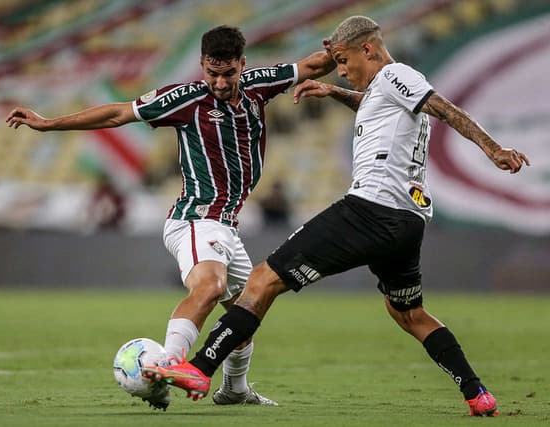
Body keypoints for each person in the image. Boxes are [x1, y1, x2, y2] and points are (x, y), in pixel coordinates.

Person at [141, 16, 530, 417]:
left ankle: (199, 369)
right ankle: (477, 392)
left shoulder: (399, 74)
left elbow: (440, 106)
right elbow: (375, 103)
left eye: (343, 61)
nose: (341, 71)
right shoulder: (386, 88)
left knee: (262, 280)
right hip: (408, 222)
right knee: (409, 313)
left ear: (369, 50)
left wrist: (493, 149)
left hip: (370, 210)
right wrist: (333, 91)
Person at [6, 25, 336, 410]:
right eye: (212, 73)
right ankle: (166, 367)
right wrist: (47, 123)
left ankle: (234, 390)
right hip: (195, 218)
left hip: (226, 223)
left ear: (242, 65)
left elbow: (312, 65)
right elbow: (117, 113)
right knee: (210, 287)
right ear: (201, 65)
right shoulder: (185, 100)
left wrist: (338, 52)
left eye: (228, 73)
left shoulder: (259, 84)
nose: (219, 82)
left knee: (247, 311)